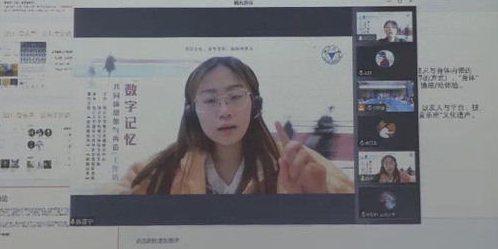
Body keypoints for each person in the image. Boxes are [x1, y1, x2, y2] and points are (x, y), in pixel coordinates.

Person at [110, 56, 355, 195]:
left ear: (255, 103)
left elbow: (352, 202)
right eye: (209, 100)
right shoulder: (164, 169)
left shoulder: (295, 162)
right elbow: (111, 196)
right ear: (191, 112)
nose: (224, 111)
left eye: (236, 97)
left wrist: (320, 196)